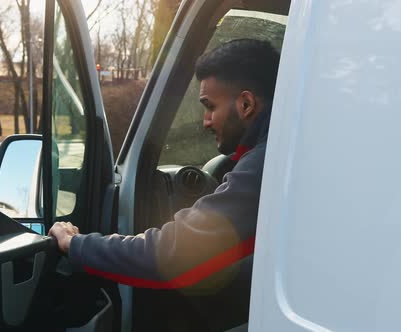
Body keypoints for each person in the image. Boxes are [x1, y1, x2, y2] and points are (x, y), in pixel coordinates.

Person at [49, 38, 280, 327]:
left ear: (246, 103)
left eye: (210, 106)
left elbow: (175, 253)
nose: (206, 121)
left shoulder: (268, 162)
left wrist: (76, 244)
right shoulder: (282, 151)